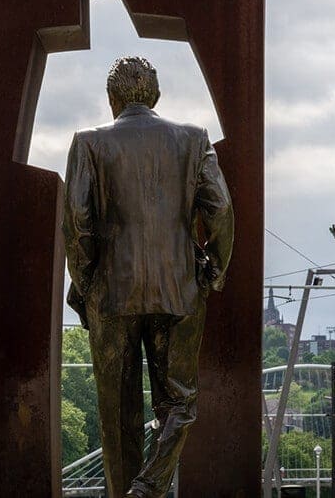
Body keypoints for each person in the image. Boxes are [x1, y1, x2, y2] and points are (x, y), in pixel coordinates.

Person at [63, 56, 234, 498]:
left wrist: (85, 285)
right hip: (179, 290)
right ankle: (151, 486)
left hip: (111, 293)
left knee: (117, 414)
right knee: (180, 402)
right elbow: (221, 210)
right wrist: (211, 272)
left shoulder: (88, 143)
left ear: (112, 98)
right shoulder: (194, 140)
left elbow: (78, 225)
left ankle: (133, 491)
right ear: (155, 95)